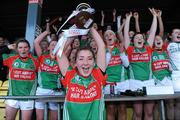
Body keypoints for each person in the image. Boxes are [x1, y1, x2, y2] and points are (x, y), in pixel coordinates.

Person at [57, 27, 106, 120]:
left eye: (90, 58)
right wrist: (74, 32)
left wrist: (89, 25)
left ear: (94, 62)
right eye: (81, 58)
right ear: (75, 62)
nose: (85, 63)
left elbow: (102, 46)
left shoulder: (98, 75)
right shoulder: (70, 75)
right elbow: (59, 52)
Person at [124, 8, 157, 120]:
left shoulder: (148, 48)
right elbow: (125, 33)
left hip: (149, 82)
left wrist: (155, 16)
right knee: (137, 113)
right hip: (134, 83)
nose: (139, 39)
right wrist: (128, 19)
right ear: (133, 41)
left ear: (144, 40)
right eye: (136, 38)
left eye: (141, 38)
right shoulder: (129, 49)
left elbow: (153, 32)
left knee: (149, 113)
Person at [1, 39, 39, 120]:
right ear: (17, 49)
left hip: (28, 98)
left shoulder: (36, 60)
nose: (23, 50)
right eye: (20, 47)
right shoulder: (11, 58)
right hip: (12, 97)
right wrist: (7, 47)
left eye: (25, 47)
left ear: (29, 48)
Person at [34, 30, 63, 120]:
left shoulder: (62, 58)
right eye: (52, 45)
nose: (55, 46)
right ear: (48, 48)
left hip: (56, 91)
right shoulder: (42, 56)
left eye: (57, 44)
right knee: (40, 118)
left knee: (55, 118)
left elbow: (68, 46)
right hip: (42, 90)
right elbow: (36, 42)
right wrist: (46, 32)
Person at [103, 29, 129, 120]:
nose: (109, 36)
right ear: (104, 39)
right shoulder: (102, 49)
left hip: (122, 83)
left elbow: (127, 64)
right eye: (106, 35)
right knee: (110, 108)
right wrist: (108, 54)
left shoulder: (120, 47)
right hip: (108, 83)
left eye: (111, 34)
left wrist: (122, 53)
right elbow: (103, 68)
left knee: (122, 108)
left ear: (115, 37)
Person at [167, 28, 180, 120]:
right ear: (170, 36)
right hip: (173, 76)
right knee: (170, 104)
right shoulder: (167, 45)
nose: (179, 33)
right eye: (176, 32)